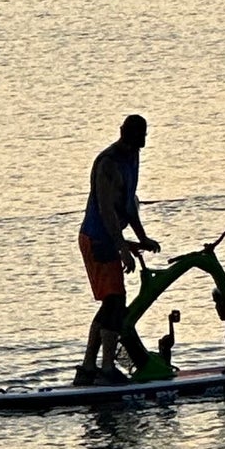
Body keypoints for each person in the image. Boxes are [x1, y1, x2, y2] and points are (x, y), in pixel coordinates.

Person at [76, 114, 161, 385]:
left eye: (142, 135)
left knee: (112, 303)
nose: (139, 141)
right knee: (115, 302)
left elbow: (128, 204)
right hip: (97, 238)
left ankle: (88, 368)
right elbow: (106, 210)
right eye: (135, 135)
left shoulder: (133, 156)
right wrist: (122, 247)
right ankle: (106, 369)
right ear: (123, 132)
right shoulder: (108, 163)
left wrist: (142, 238)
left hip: (110, 238)